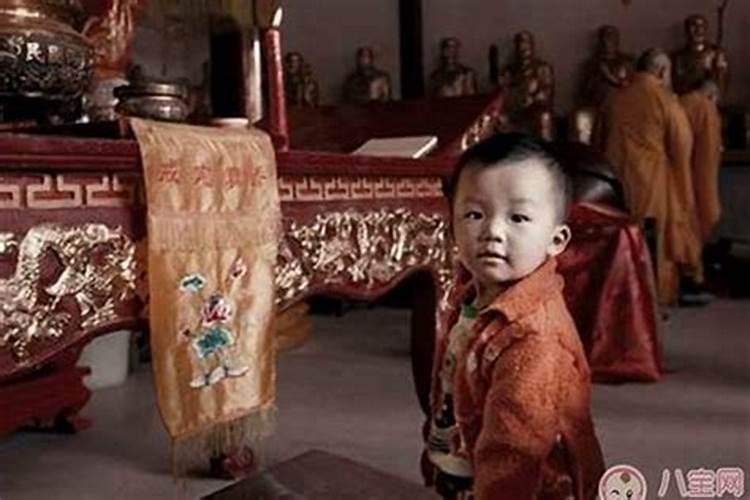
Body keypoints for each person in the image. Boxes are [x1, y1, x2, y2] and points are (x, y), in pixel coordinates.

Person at [424, 133, 605, 499]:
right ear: (452, 225)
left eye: (518, 217)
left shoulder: (533, 340)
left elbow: (514, 455)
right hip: (468, 465)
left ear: (557, 239)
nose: (492, 231)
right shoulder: (471, 294)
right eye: (474, 214)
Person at [594, 48, 700, 306]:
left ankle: (619, 298)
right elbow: (682, 143)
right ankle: (656, 296)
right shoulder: (664, 98)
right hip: (652, 182)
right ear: (663, 71)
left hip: (614, 182)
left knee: (619, 241)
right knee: (655, 241)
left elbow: (596, 141)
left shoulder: (613, 98)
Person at [671, 14, 728, 98]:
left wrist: (718, 70)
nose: (698, 30)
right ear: (686, 30)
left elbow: (720, 86)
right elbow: (677, 84)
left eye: (701, 26)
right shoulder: (678, 56)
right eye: (693, 25)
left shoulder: (716, 53)